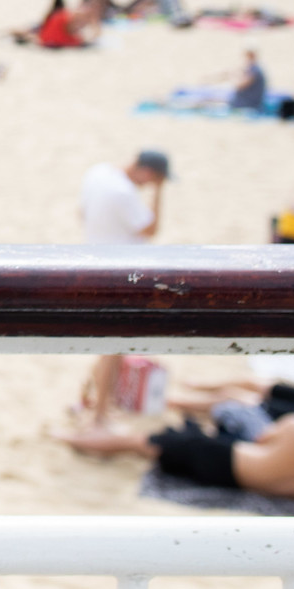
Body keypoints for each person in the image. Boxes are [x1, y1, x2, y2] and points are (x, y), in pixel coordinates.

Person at [56, 393, 294, 515]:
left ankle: (69, 438)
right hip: (254, 486)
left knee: (141, 442)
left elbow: (261, 439)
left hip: (227, 462)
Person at [77, 151, 169, 422]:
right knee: (115, 344)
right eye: (154, 180)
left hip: (97, 262)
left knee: (111, 343)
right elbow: (151, 228)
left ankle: (87, 397)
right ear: (149, 173)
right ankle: (99, 414)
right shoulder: (124, 193)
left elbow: (80, 212)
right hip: (123, 274)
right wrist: (159, 192)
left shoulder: (98, 172)